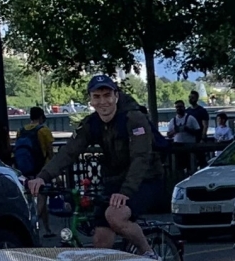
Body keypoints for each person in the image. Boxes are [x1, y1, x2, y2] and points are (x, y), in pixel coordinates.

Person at [29, 77, 149, 238]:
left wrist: (126, 191)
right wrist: (43, 177)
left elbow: (141, 157)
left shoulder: (134, 119)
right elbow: (69, 151)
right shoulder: (91, 123)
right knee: (100, 238)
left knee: (115, 217)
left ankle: (148, 257)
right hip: (115, 180)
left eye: (107, 95)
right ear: (90, 100)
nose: (103, 101)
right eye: (97, 97)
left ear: (116, 96)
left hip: (145, 179)